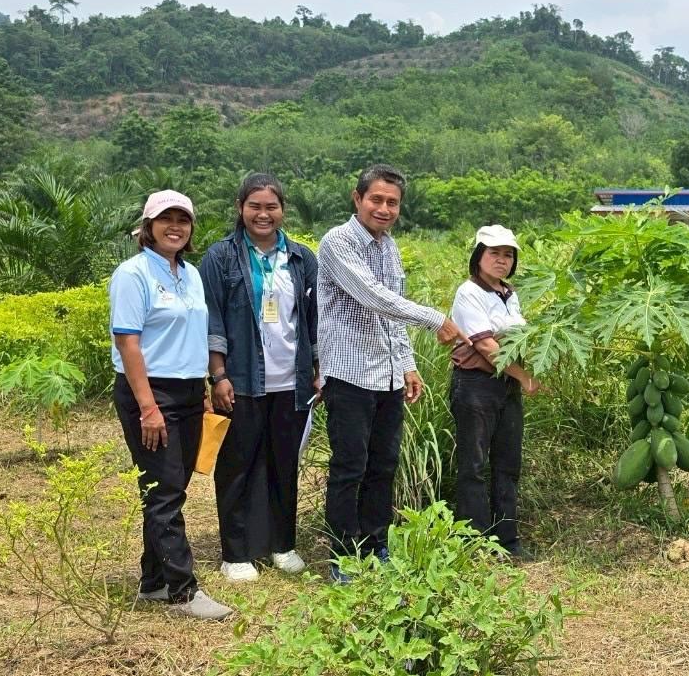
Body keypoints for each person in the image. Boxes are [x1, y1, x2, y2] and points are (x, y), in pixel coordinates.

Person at [317, 164, 470, 581]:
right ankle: (343, 556)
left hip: (385, 375)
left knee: (383, 465)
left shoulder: (389, 246)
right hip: (348, 373)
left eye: (392, 202)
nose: (384, 209)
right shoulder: (338, 242)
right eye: (376, 200)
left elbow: (392, 314)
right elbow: (374, 297)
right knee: (350, 466)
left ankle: (375, 544)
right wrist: (436, 319)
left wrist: (406, 364)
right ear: (357, 198)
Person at [110, 190, 231, 620]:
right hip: (150, 392)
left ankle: (153, 582)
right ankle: (183, 590)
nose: (175, 226)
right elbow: (128, 342)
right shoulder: (133, 274)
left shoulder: (192, 274)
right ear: (148, 226)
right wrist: (148, 408)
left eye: (183, 219)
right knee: (163, 492)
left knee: (170, 489)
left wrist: (201, 388)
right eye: (166, 219)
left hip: (186, 391)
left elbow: (194, 336)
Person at [201, 173, 319, 582]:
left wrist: (317, 371)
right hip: (243, 381)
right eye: (255, 206)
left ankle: (282, 544)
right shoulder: (220, 258)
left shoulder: (302, 258)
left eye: (271, 206)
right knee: (237, 465)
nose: (263, 214)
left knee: (284, 464)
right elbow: (212, 318)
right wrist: (218, 374)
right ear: (240, 208)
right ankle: (235, 553)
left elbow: (312, 322)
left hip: (292, 382)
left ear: (282, 210)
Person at [448, 225, 541, 561]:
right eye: (494, 253)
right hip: (475, 385)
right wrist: (526, 377)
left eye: (508, 255)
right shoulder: (468, 293)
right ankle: (476, 542)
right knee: (474, 465)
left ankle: (508, 539)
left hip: (506, 386)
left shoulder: (508, 293)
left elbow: (519, 338)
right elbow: (487, 346)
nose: (502, 260)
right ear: (478, 256)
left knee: (507, 463)